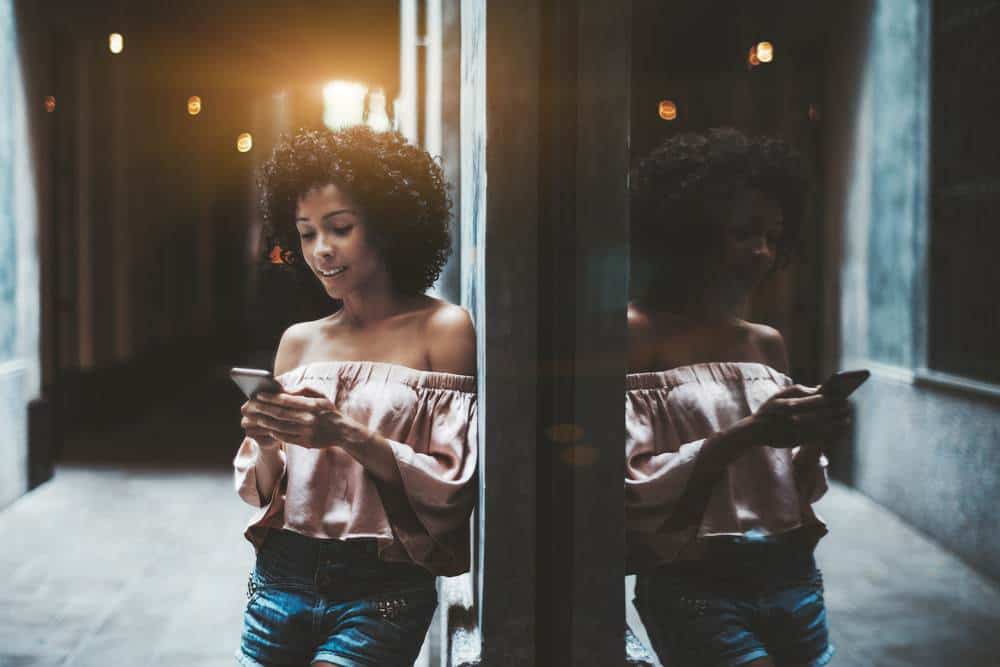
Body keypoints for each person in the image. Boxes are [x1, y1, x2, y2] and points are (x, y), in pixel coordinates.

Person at [234, 126, 477, 667]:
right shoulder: (298, 341)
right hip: (280, 579)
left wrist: (344, 432)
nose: (321, 250)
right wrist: (268, 441)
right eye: (305, 233)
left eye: (340, 227)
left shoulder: (444, 329)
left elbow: (453, 485)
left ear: (389, 225)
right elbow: (267, 490)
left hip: (382, 590)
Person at [626, 128, 847, 667]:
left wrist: (813, 433)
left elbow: (790, 487)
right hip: (696, 588)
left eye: (774, 235)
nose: (763, 251)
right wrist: (750, 432)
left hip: (795, 578)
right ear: (689, 235)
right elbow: (632, 480)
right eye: (744, 232)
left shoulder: (764, 341)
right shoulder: (635, 332)